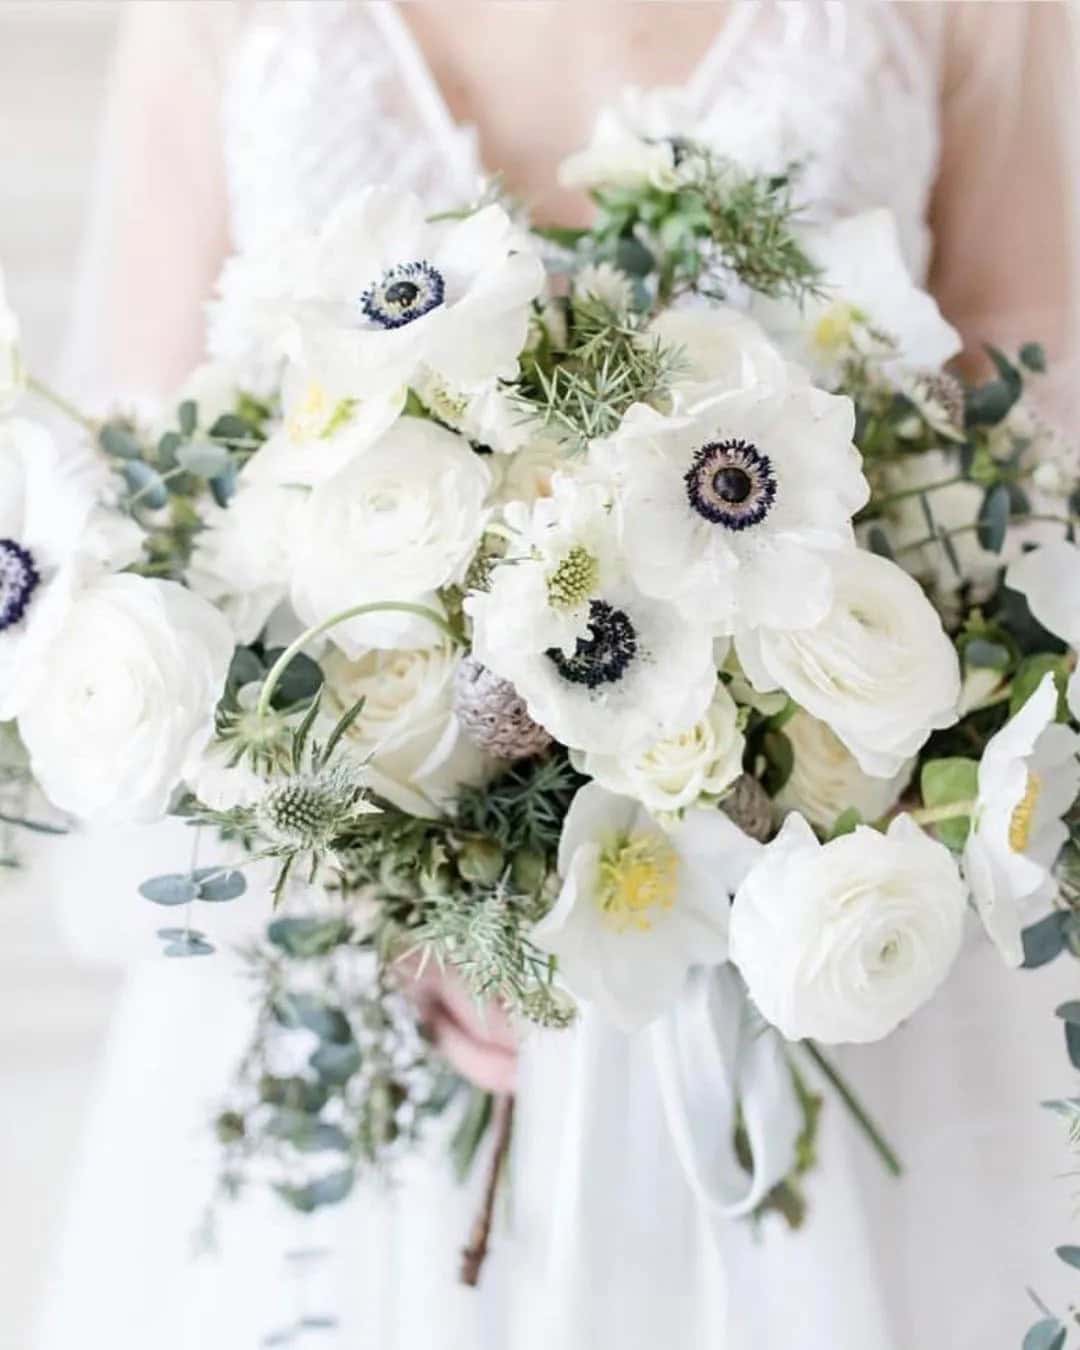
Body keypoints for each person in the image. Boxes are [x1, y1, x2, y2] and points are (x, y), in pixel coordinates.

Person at [35, 4, 1080, 1347]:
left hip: (822, 947)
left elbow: (1032, 429)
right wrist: (398, 901)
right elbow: (149, 512)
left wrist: (803, 784)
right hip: (372, 1038)